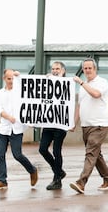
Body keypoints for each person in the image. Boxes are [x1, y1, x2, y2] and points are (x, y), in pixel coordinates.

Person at [70, 58, 108, 194]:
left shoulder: (102, 82)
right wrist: (74, 123)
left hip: (99, 124)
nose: (87, 70)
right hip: (86, 125)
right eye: (85, 68)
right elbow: (79, 106)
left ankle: (81, 182)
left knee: (90, 153)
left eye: (90, 68)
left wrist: (81, 82)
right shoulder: (83, 87)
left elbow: (96, 94)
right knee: (95, 154)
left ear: (95, 69)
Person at [0, 69, 38, 190]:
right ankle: (2, 180)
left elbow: (31, 95)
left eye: (13, 78)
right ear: (4, 79)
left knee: (17, 155)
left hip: (16, 129)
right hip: (3, 129)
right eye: (9, 78)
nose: (11, 81)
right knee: (0, 155)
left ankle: (32, 170)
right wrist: (8, 117)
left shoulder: (20, 91)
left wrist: (19, 76)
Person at [38, 61, 68, 190]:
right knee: (42, 149)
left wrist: (59, 78)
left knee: (56, 151)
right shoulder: (48, 82)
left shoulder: (67, 83)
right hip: (49, 123)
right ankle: (59, 171)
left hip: (60, 124)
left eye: (58, 69)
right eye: (53, 68)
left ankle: (57, 180)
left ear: (63, 70)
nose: (55, 70)